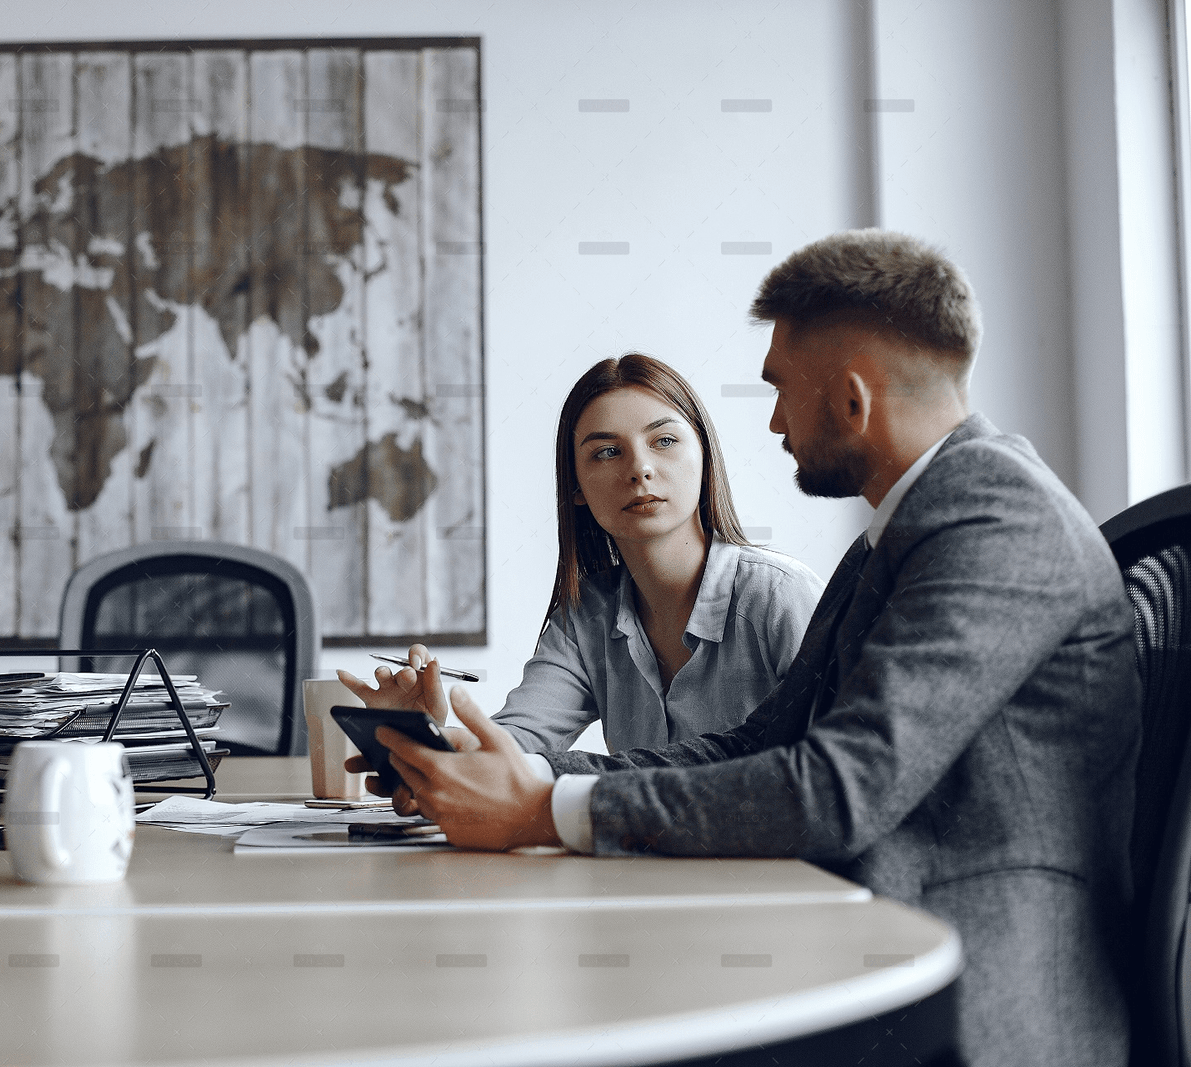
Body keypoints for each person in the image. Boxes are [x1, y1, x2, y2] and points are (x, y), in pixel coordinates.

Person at [355, 230, 1141, 1067]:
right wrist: (530, 783)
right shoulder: (903, 529)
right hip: (864, 943)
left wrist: (545, 810)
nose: (769, 421)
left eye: (779, 390)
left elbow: (838, 787)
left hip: (969, 998)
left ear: (851, 400)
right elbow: (760, 740)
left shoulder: (995, 519)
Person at [342, 353, 823, 754]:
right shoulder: (587, 615)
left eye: (665, 441)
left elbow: (838, 770)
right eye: (607, 452)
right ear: (575, 486)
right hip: (644, 865)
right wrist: (423, 738)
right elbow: (516, 745)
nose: (641, 469)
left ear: (704, 456)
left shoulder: (778, 597)